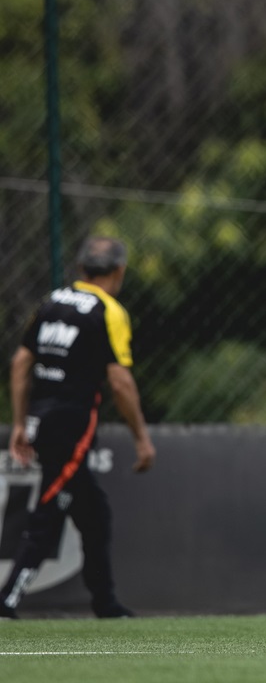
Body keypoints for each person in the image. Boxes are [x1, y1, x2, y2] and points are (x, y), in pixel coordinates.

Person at [0, 237, 156, 620]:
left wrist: (21, 422)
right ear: (118, 272)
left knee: (94, 513)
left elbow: (21, 364)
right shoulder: (108, 311)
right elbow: (119, 382)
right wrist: (142, 439)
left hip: (42, 417)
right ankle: (7, 599)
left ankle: (105, 603)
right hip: (73, 423)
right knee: (51, 509)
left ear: (82, 269)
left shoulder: (52, 302)